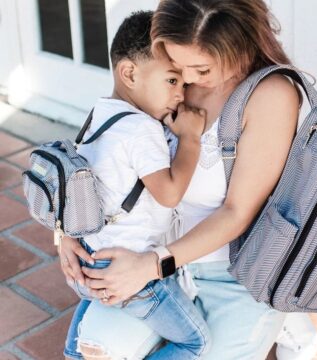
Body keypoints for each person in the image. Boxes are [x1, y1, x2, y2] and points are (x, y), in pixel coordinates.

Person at [60, 1, 317, 359]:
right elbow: (105, 151)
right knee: (97, 350)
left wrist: (151, 264)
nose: (187, 82)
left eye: (200, 68)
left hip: (230, 276)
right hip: (156, 267)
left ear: (237, 44)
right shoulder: (165, 64)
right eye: (177, 70)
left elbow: (237, 212)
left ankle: (284, 320)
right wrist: (66, 231)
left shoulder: (271, 95)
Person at [63, 10, 211, 360]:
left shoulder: (98, 114)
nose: (181, 93)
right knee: (196, 343)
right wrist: (190, 139)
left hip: (90, 262)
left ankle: (73, 352)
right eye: (172, 81)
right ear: (129, 73)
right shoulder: (141, 128)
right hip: (131, 274)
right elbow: (169, 193)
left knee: (85, 328)